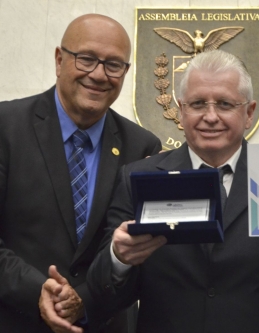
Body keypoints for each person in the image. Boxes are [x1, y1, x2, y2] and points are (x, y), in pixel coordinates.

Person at [80, 50, 259, 333]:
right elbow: (104, 293)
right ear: (181, 111)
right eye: (197, 104)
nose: (210, 116)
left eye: (224, 104)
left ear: (249, 113)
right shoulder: (138, 178)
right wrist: (119, 259)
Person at [0, 13, 161, 333]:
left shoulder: (142, 147)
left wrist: (83, 300)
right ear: (60, 60)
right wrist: (39, 290)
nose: (99, 74)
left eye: (114, 64)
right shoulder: (6, 127)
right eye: (86, 59)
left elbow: (141, 257)